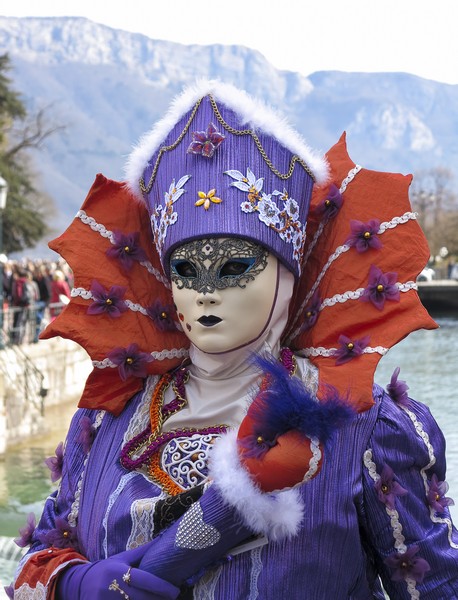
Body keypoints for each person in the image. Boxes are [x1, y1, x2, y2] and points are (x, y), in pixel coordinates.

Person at [10, 81, 458, 599]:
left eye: (234, 267)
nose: (204, 293)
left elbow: (437, 588)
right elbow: (43, 552)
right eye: (184, 269)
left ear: (286, 277)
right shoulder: (107, 418)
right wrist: (72, 583)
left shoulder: (361, 425)